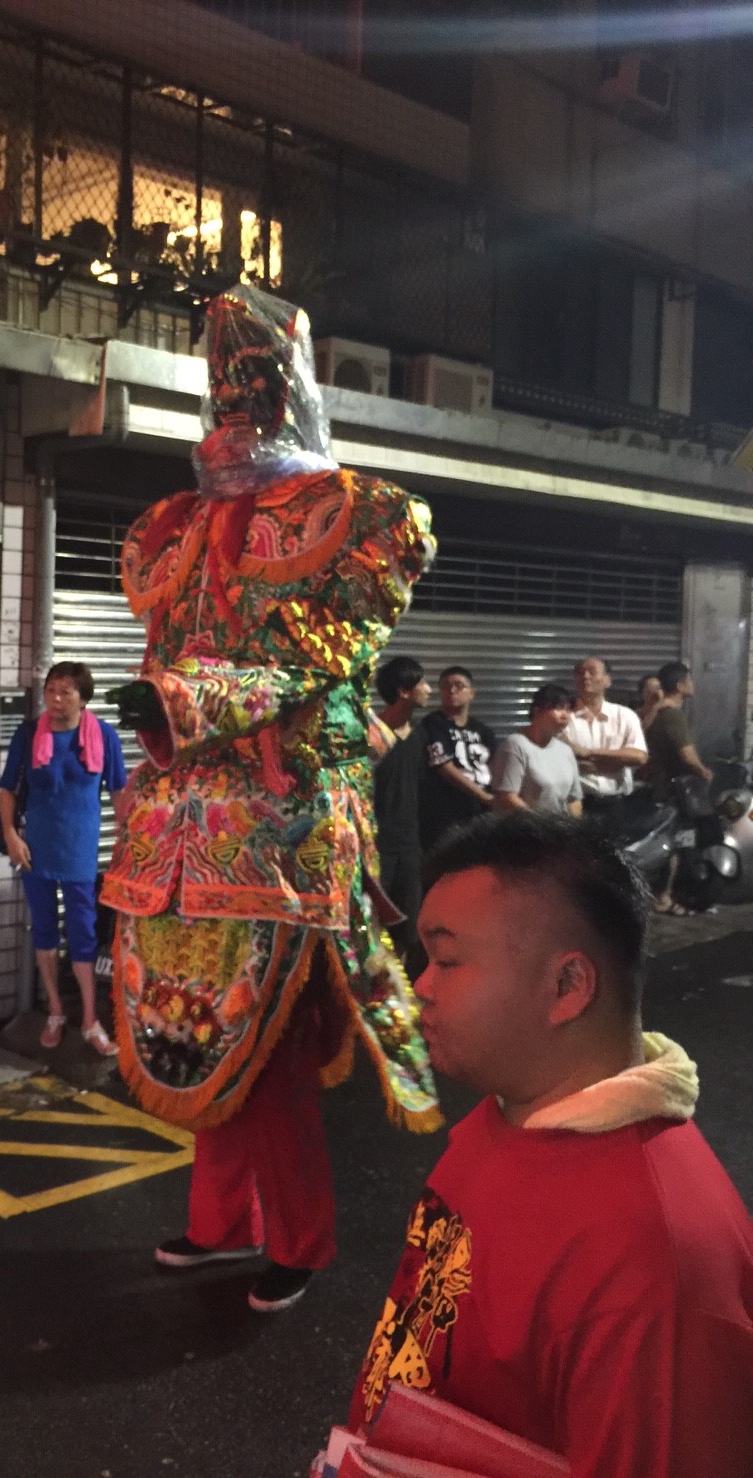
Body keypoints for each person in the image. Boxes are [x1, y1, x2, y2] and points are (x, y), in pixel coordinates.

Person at [102, 284, 440, 1316]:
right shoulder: (175, 525)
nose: (236, 410)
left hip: (285, 842)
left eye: (254, 385)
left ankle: (299, 1238)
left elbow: (310, 664)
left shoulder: (362, 517)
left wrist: (183, 700)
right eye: (226, 389)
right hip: (176, 842)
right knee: (197, 1030)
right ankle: (217, 1226)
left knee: (275, 1055)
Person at [347, 812, 753, 1476]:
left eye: (446, 960)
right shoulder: (509, 1116)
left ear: (568, 986)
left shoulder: (656, 1258)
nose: (419, 985)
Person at [0, 662, 126, 1056]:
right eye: (51, 691)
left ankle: (89, 1018)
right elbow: (7, 789)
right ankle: (55, 1009)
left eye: (65, 692)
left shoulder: (104, 736)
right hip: (35, 847)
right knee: (44, 929)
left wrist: (127, 839)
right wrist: (10, 834)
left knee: (84, 931)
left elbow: (119, 792)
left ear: (83, 698)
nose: (55, 699)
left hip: (80, 849)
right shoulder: (28, 734)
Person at [373, 656, 431, 966]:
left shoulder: (420, 735)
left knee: (409, 925)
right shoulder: (373, 733)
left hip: (410, 843)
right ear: (403, 691)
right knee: (373, 923)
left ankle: (400, 990)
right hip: (377, 844)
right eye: (422, 682)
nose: (429, 689)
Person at [647, 661, 714, 917]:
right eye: (689, 680)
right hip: (679, 794)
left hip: (666, 789)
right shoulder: (673, 716)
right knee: (680, 844)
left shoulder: (661, 714)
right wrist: (703, 772)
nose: (692, 684)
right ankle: (668, 895)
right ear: (680, 685)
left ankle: (667, 893)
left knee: (677, 843)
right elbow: (687, 756)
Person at [420, 667, 496, 849]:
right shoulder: (433, 724)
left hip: (481, 815)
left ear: (471, 693)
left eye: (459, 686)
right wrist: (484, 797)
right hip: (447, 815)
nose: (451, 690)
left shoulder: (482, 730)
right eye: (445, 686)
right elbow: (444, 766)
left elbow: (496, 764)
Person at [560, 657, 647, 815]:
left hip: (618, 803)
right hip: (577, 806)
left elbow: (639, 756)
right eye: (580, 673)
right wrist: (615, 762)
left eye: (592, 672)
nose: (585, 676)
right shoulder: (564, 718)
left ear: (607, 680)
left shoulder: (625, 715)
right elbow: (560, 759)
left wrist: (588, 753)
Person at [491, 683, 582, 816]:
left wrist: (572, 826)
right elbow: (508, 797)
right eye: (558, 708)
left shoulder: (565, 750)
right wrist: (541, 825)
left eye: (568, 709)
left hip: (559, 831)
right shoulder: (515, 745)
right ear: (537, 711)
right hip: (523, 830)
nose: (565, 715)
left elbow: (574, 798)